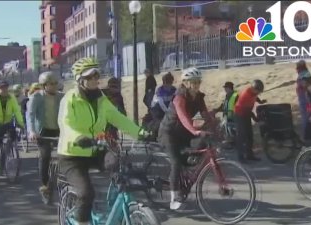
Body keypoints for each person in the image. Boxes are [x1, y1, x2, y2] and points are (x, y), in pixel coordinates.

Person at [57, 57, 150, 225]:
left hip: (94, 149)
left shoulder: (101, 99)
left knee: (118, 165)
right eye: (89, 77)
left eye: (96, 76)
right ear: (79, 79)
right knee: (86, 193)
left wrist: (140, 132)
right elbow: (65, 125)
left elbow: (118, 118)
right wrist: (78, 138)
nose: (94, 80)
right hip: (72, 155)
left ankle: (114, 206)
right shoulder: (69, 99)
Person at [157, 67, 213, 210]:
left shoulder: (199, 97)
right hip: (168, 133)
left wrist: (216, 129)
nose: (196, 85)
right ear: (186, 83)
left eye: (198, 82)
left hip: (182, 132)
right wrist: (195, 130)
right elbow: (183, 117)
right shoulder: (179, 97)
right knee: (176, 162)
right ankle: (174, 197)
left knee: (201, 145)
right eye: (193, 82)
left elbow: (206, 114)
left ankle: (186, 172)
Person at [27, 71, 64, 202]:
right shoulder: (37, 97)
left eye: (55, 83)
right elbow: (30, 115)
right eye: (51, 84)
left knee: (67, 154)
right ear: (44, 85)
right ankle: (44, 185)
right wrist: (32, 131)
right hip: (43, 132)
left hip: (59, 130)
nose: (54, 86)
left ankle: (65, 180)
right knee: (45, 155)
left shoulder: (62, 97)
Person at [0, 81, 24, 175]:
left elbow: (16, 110)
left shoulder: (11, 97)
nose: (4, 89)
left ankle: (9, 151)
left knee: (13, 136)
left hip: (8, 122)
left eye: (5, 87)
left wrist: (21, 123)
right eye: (1, 88)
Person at [234, 79, 267, 163]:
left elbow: (255, 97)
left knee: (249, 135)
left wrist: (260, 101)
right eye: (258, 91)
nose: (258, 93)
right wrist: (256, 119)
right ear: (254, 89)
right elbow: (248, 111)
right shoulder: (246, 95)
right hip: (240, 114)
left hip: (246, 113)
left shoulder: (253, 92)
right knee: (241, 136)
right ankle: (241, 157)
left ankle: (249, 155)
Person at [212, 81, 239, 146]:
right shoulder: (228, 95)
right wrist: (217, 110)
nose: (225, 89)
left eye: (226, 88)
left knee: (232, 130)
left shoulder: (236, 95)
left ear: (229, 88)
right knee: (227, 129)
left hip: (234, 117)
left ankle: (235, 142)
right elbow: (224, 105)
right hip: (228, 116)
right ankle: (232, 142)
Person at [295, 60, 311, 140]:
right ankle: (308, 135)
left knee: (306, 118)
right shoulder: (307, 74)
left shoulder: (302, 76)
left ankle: (306, 136)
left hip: (305, 101)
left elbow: (305, 88)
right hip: (307, 101)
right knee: (308, 117)